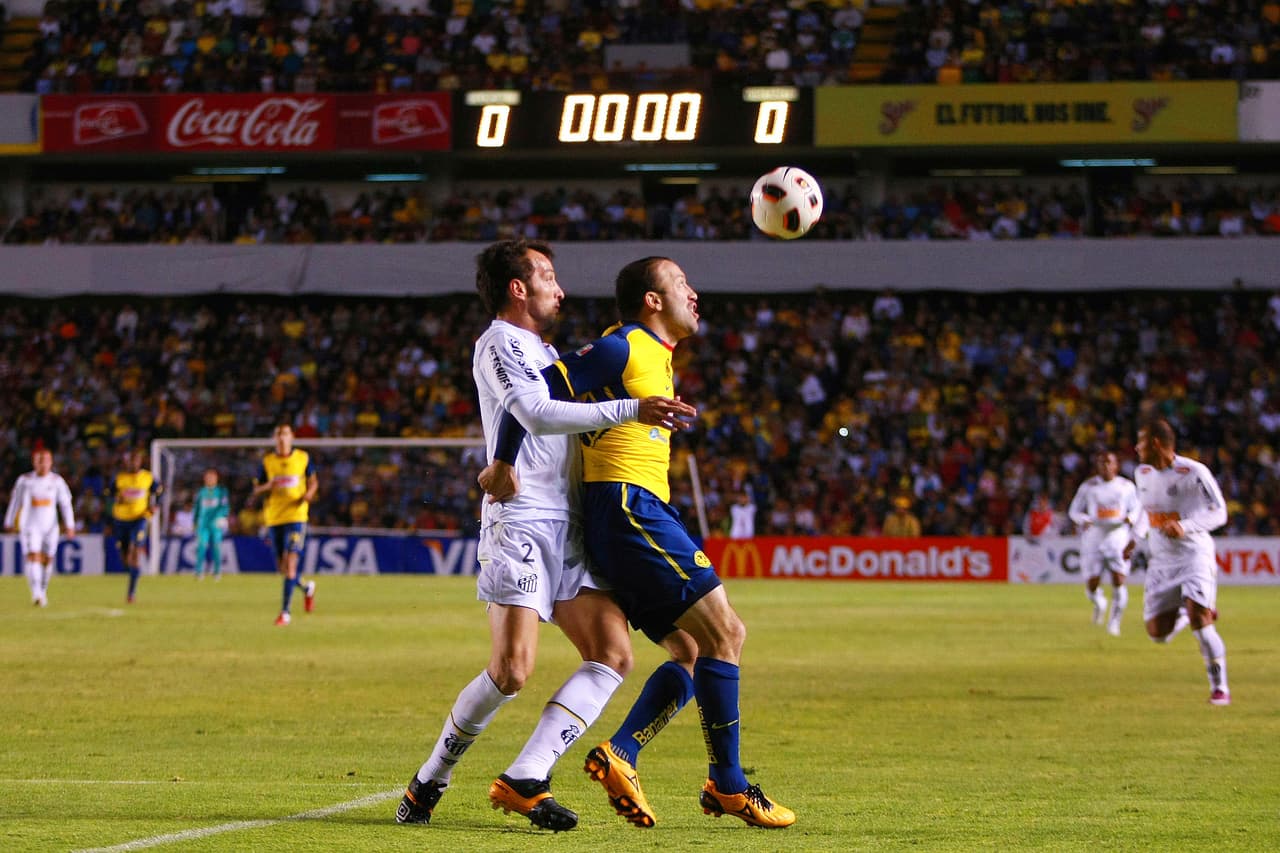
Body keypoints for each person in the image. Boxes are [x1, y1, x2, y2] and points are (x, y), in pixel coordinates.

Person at [396, 239, 696, 831]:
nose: (559, 290)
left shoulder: (549, 348)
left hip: (573, 525)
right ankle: (431, 777)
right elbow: (533, 410)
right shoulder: (499, 344)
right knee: (512, 671)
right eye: (548, 277)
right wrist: (630, 411)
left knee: (612, 654)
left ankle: (528, 775)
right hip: (524, 523)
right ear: (518, 287)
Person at [490, 256, 795, 829]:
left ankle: (621, 754)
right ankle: (728, 785)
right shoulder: (624, 345)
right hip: (629, 508)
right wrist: (503, 463)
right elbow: (533, 396)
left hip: (634, 511)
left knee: (693, 649)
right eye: (681, 283)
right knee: (728, 632)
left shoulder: (655, 357)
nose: (694, 293)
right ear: (652, 300)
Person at [1130, 419, 1231, 705]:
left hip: (1193, 555)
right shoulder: (1142, 473)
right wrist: (1133, 538)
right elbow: (1143, 509)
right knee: (1157, 634)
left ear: (1157, 444)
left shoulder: (1193, 472)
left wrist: (1186, 526)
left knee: (1202, 624)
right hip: (1161, 561)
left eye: (1141, 442)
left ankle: (1219, 687)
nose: (1136, 448)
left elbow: (1219, 513)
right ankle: (1186, 613)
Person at [1067, 450, 1143, 636]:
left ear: (1116, 465)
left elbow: (1137, 508)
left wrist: (1131, 518)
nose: (1105, 466)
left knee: (1119, 580)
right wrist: (1084, 519)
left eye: (1109, 462)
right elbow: (1073, 511)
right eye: (1102, 462)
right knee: (1092, 584)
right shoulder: (1089, 486)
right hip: (1094, 539)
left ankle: (1114, 623)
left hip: (1118, 538)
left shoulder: (1126, 486)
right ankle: (1099, 602)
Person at [252, 424, 318, 626]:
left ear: (292, 437)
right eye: (279, 434)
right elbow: (256, 490)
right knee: (283, 570)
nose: (282, 438)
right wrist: (267, 486)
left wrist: (308, 494)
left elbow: (313, 482)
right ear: (275, 438)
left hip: (296, 517)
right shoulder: (267, 461)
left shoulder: (302, 458)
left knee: (290, 564)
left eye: (286, 434)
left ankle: (285, 613)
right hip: (274, 517)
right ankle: (306, 588)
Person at [4, 447, 75, 607]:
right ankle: (36, 593)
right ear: (34, 462)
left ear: (51, 462)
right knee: (33, 556)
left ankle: (42, 590)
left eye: (46, 461)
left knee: (47, 560)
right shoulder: (25, 480)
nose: (42, 464)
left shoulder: (57, 481)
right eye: (39, 461)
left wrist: (70, 525)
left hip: (50, 527)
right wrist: (9, 521)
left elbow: (65, 504)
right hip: (30, 526)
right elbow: (15, 502)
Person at [109, 448, 159, 604]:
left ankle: (131, 593)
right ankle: (132, 573)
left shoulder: (148, 477)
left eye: (135, 460)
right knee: (125, 559)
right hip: (121, 520)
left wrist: (153, 506)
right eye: (130, 460)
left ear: (139, 461)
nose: (132, 463)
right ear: (126, 462)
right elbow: (109, 494)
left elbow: (159, 492)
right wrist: (117, 498)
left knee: (135, 551)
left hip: (140, 518)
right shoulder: (119, 478)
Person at [192, 468, 230, 580]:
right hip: (203, 524)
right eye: (208, 477)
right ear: (204, 478)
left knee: (216, 547)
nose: (210, 479)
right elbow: (197, 508)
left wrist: (221, 517)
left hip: (215, 524)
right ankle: (199, 572)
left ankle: (217, 571)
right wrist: (194, 522)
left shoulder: (221, 491)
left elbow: (225, 506)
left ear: (216, 478)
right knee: (201, 547)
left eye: (212, 477)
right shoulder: (201, 492)